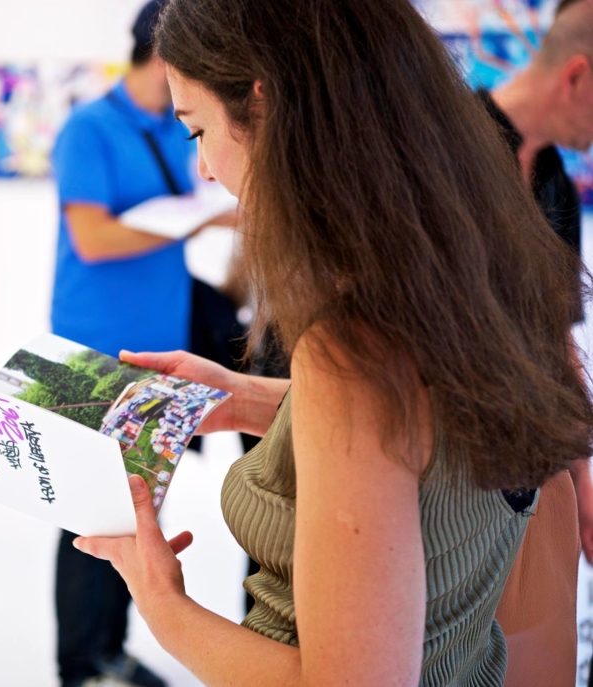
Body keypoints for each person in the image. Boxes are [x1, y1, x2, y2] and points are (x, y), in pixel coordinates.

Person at [74, 0, 593, 685]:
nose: (204, 170)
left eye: (198, 129)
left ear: (265, 107)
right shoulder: (495, 286)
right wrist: (253, 398)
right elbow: (439, 465)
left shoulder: (352, 351)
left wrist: (162, 601)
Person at [50, 1, 238, 684]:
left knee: (139, 516)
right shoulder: (89, 128)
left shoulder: (168, 127)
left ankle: (113, 649)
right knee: (86, 520)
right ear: (163, 54)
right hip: (90, 350)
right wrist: (188, 224)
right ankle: (80, 664)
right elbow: (92, 239)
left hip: (159, 348)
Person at [478, 1, 593, 683]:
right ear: (576, 77)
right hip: (444, 480)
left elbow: (558, 344)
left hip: (529, 470)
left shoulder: (553, 181)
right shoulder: (447, 148)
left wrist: (583, 481)